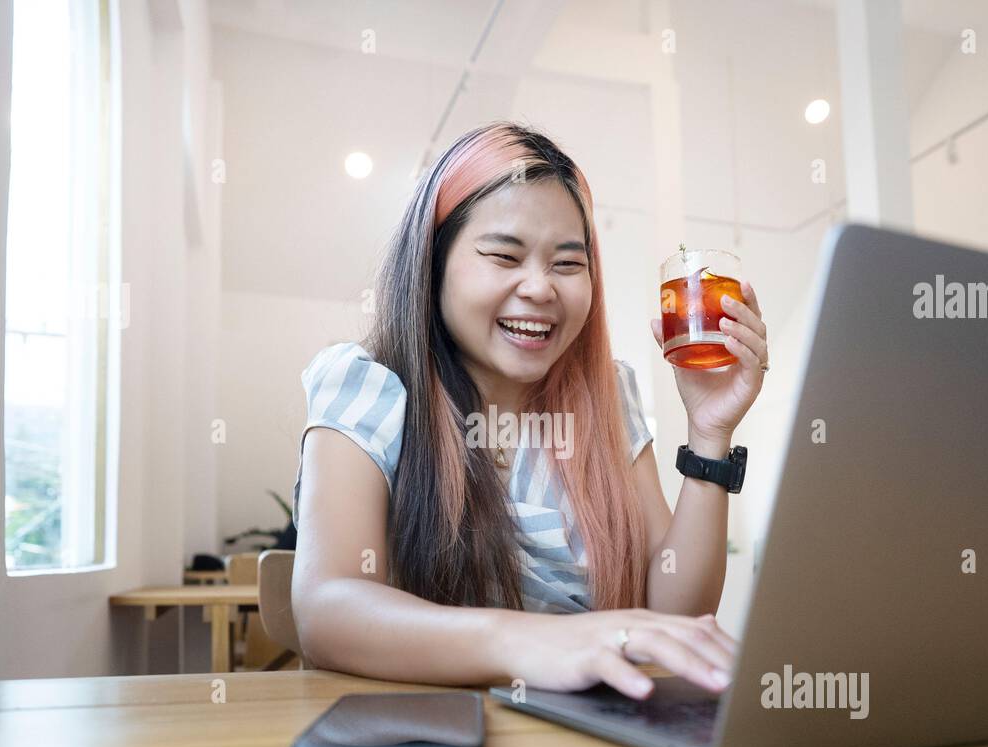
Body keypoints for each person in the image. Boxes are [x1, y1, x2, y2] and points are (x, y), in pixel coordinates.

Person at [290, 121, 770, 700]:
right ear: (433, 263)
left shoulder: (608, 395)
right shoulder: (369, 385)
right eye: (503, 255)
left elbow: (676, 609)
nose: (540, 288)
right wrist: (530, 642)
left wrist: (710, 435)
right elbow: (327, 608)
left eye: (568, 264)